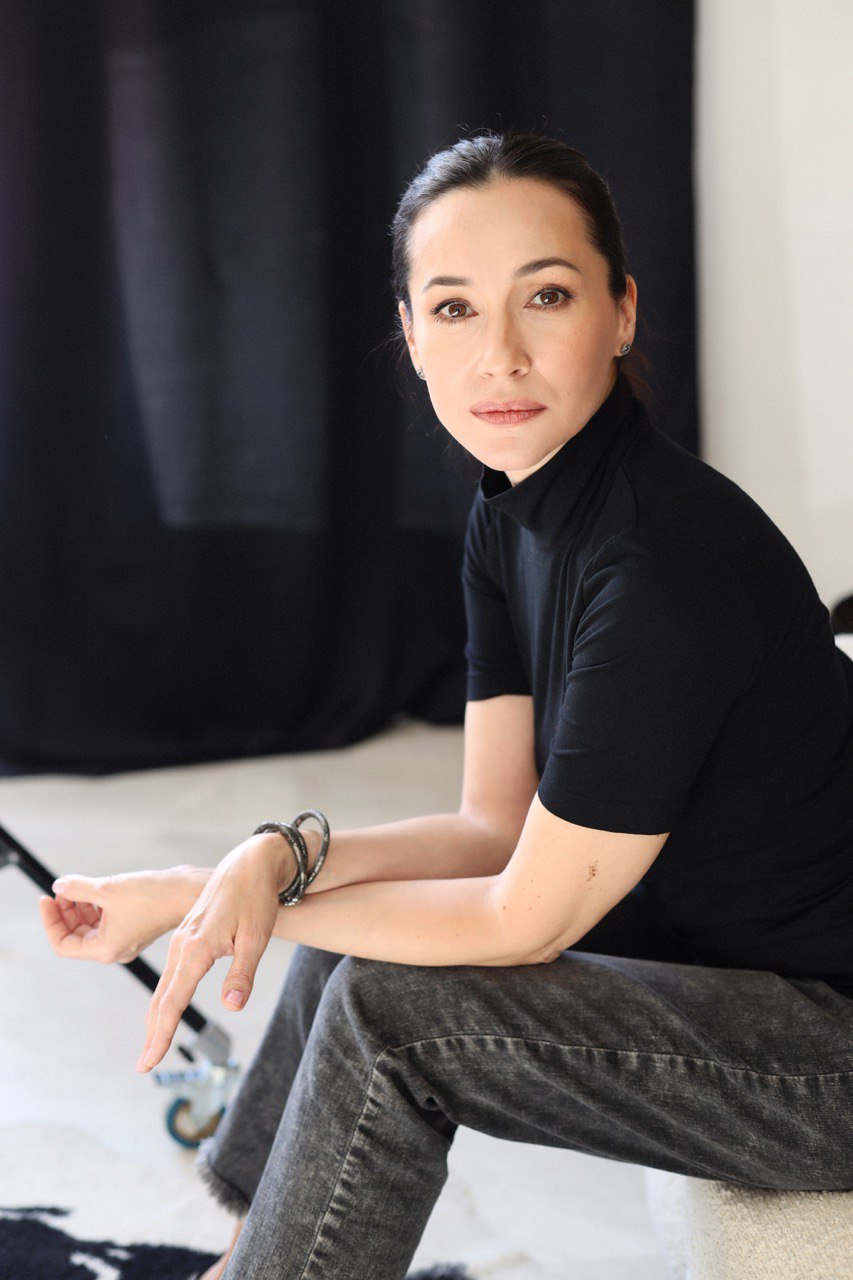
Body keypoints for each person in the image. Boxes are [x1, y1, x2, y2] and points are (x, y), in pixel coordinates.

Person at [39, 130, 853, 1280]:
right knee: (347, 919)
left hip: (827, 1041)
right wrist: (273, 859)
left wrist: (193, 898)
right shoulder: (508, 513)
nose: (500, 355)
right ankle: (243, 1257)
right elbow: (488, 825)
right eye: (456, 309)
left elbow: (521, 917)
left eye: (547, 296)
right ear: (412, 334)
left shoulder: (661, 567)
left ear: (621, 311)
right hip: (722, 956)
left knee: (391, 1008)